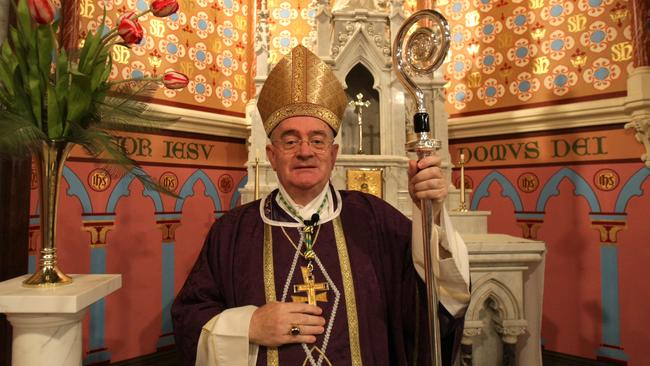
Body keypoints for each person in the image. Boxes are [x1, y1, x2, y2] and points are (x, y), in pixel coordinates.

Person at [171, 45, 470, 366]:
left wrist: (432, 214)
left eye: (317, 140)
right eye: (290, 140)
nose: (305, 151)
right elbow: (190, 319)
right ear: (271, 155)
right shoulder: (232, 232)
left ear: (334, 152)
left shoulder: (374, 220)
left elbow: (433, 301)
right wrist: (248, 326)